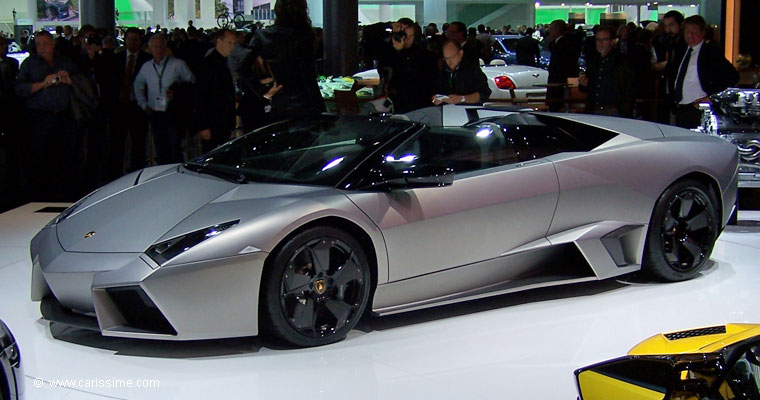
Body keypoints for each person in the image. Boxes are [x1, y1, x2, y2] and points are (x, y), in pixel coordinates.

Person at [15, 30, 77, 201]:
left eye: (45, 43)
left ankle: (66, 196)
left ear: (53, 44)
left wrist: (68, 81)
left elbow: (81, 84)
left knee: (65, 158)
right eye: (38, 44)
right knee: (41, 159)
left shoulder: (64, 62)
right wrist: (44, 83)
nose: (41, 47)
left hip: (63, 117)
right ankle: (40, 197)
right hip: (40, 118)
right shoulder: (29, 64)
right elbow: (20, 89)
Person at [250, 0, 325, 120]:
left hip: (280, 100)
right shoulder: (304, 36)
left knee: (281, 137)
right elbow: (309, 77)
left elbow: (242, 66)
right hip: (306, 102)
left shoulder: (263, 36)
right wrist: (321, 110)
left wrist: (263, 91)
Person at [133, 34, 195, 164]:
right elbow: (138, 85)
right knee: (161, 148)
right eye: (155, 47)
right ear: (150, 49)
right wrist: (143, 104)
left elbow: (192, 82)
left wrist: (179, 93)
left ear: (166, 47)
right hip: (155, 112)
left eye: (161, 46)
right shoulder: (147, 67)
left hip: (173, 112)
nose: (158, 49)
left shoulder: (177, 64)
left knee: (175, 147)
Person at [668, 15, 738, 129]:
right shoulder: (681, 50)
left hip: (697, 108)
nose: (690, 35)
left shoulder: (710, 52)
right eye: (687, 32)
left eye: (694, 32)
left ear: (702, 32)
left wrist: (712, 97)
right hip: (680, 108)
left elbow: (732, 76)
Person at [377, 24, 437, 114]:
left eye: (411, 36)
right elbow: (385, 70)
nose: (407, 39)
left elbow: (413, 75)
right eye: (405, 35)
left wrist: (401, 53)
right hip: (397, 102)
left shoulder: (424, 54)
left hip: (419, 102)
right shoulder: (389, 53)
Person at [195, 29, 237, 153]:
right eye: (230, 43)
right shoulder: (208, 65)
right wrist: (204, 126)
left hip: (222, 120)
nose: (232, 47)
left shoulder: (221, 62)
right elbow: (200, 96)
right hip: (214, 121)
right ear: (219, 42)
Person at [579, 26, 635, 117]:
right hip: (594, 109)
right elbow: (589, 87)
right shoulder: (593, 61)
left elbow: (628, 90)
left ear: (612, 41)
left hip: (613, 111)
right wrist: (583, 84)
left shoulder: (621, 62)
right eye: (598, 40)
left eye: (604, 40)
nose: (600, 43)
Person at [432, 40, 491, 106]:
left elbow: (484, 94)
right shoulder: (442, 73)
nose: (449, 61)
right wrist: (435, 99)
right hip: (446, 112)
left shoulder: (473, 71)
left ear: (460, 54)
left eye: (452, 57)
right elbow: (435, 92)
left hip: (468, 111)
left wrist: (462, 99)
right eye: (446, 58)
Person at [546, 19, 580, 112]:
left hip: (560, 82)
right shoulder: (559, 43)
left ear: (557, 30)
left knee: (559, 106)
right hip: (559, 81)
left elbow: (561, 65)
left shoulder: (563, 44)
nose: (549, 31)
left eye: (551, 29)